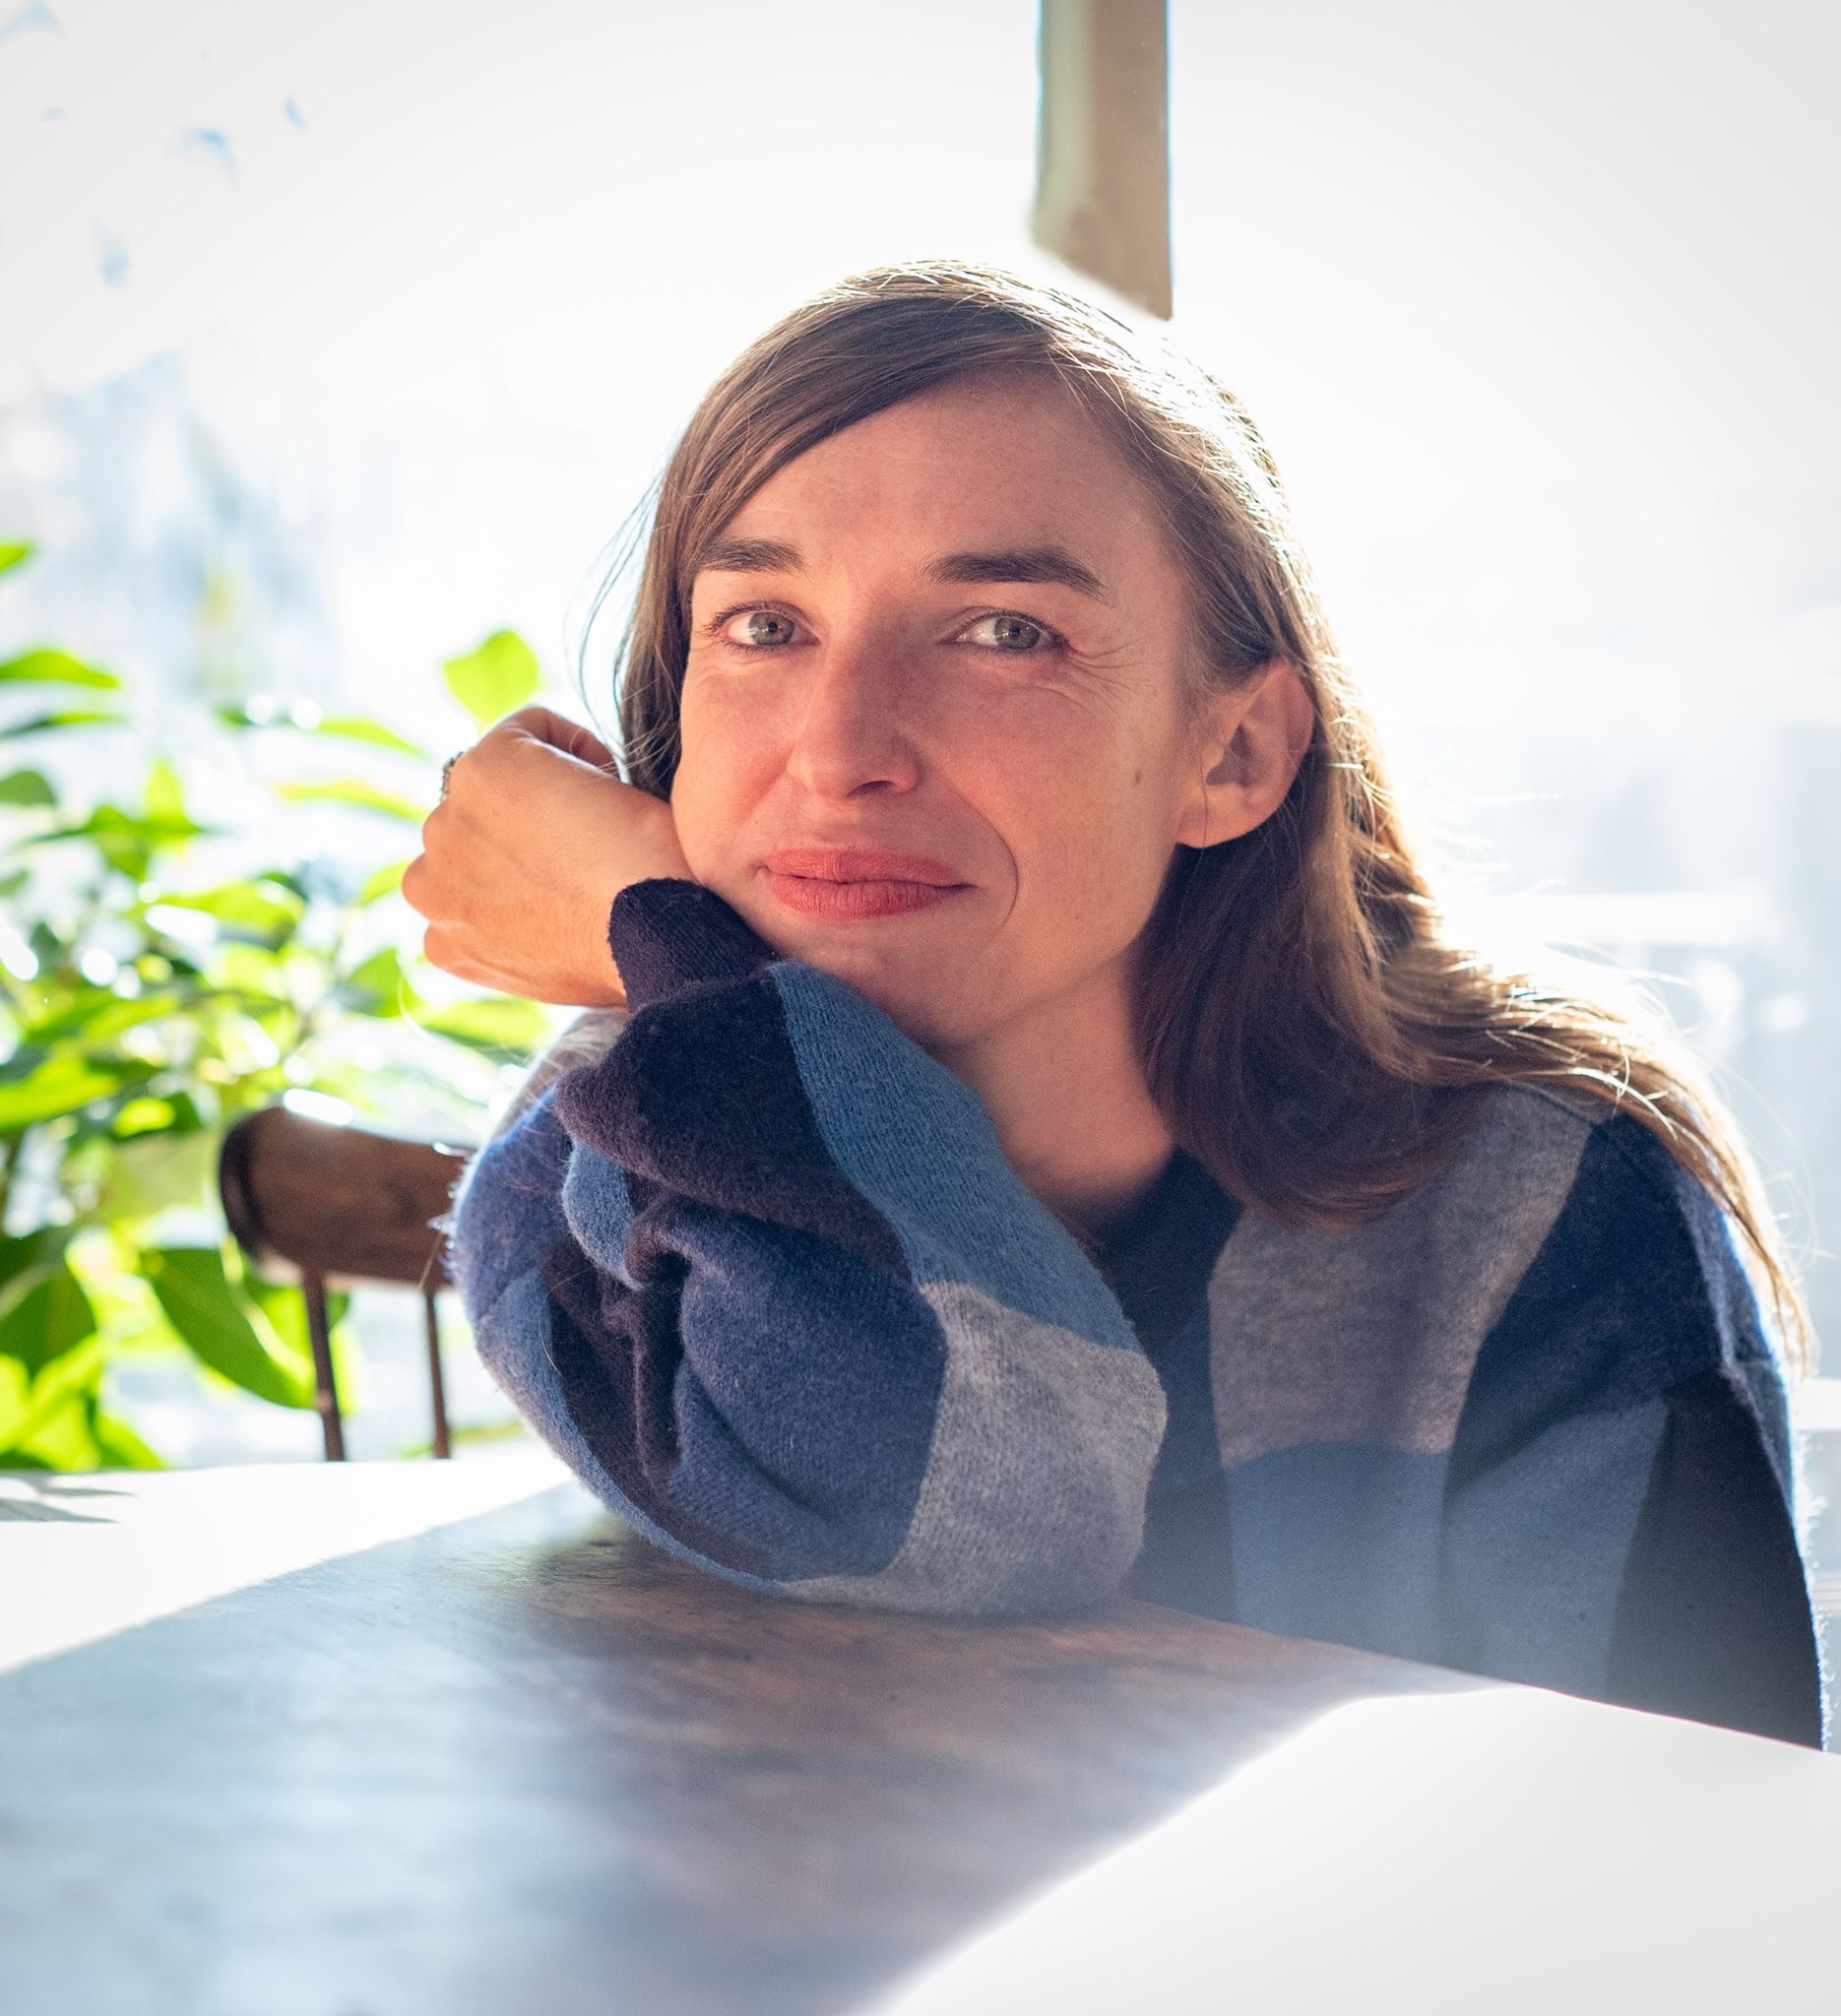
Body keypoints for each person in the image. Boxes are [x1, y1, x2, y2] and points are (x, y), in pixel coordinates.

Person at [405, 260, 1829, 1748]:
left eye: (1003, 630)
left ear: (1230, 756)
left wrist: (669, 946)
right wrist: (685, 972)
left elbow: (1685, 1865)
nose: (837, 751)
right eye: (763, 626)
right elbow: (938, 1507)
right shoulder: (596, 1165)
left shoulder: (1541, 1204)